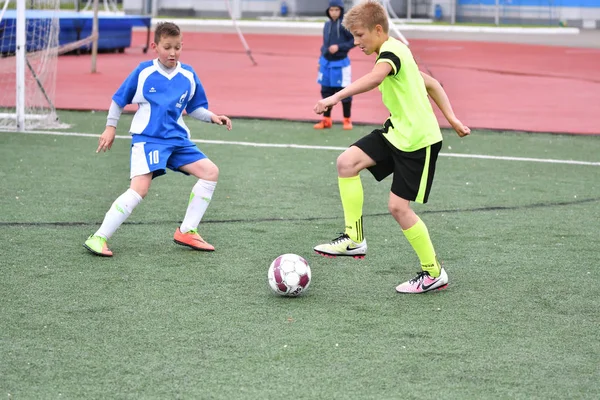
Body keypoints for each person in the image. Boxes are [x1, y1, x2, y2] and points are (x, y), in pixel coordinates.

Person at [312, 0, 471, 294]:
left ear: (377, 29)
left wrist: (335, 98)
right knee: (346, 162)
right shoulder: (396, 51)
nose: (355, 41)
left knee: (398, 208)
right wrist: (454, 120)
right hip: (396, 132)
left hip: (418, 141)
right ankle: (353, 238)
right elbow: (432, 83)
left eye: (359, 35)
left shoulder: (391, 53)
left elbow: (375, 79)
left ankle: (434, 273)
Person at [83, 22, 232, 257]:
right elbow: (119, 100)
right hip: (149, 140)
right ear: (155, 46)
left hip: (177, 140)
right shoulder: (144, 72)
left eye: (177, 47)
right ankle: (98, 237)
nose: (173, 53)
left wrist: (213, 117)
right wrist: (110, 127)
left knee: (210, 172)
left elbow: (195, 108)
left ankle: (187, 231)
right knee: (139, 190)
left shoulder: (188, 75)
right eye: (167, 47)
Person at [314, 0, 356, 131]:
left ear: (341, 11)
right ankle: (326, 120)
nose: (334, 13)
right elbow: (324, 45)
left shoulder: (345, 26)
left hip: (341, 64)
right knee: (326, 91)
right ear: (328, 11)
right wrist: (320, 60)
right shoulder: (326, 25)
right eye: (331, 10)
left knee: (344, 92)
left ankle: (347, 119)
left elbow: (354, 40)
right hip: (326, 63)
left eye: (336, 10)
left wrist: (339, 47)